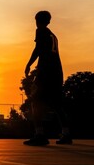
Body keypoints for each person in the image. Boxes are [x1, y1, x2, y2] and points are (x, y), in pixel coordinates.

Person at [24, 10, 72, 146]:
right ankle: (66, 133)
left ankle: (40, 134)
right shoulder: (53, 36)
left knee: (35, 102)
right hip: (57, 72)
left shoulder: (40, 30)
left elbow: (38, 48)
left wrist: (28, 64)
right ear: (49, 21)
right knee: (57, 104)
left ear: (36, 20)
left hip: (46, 72)